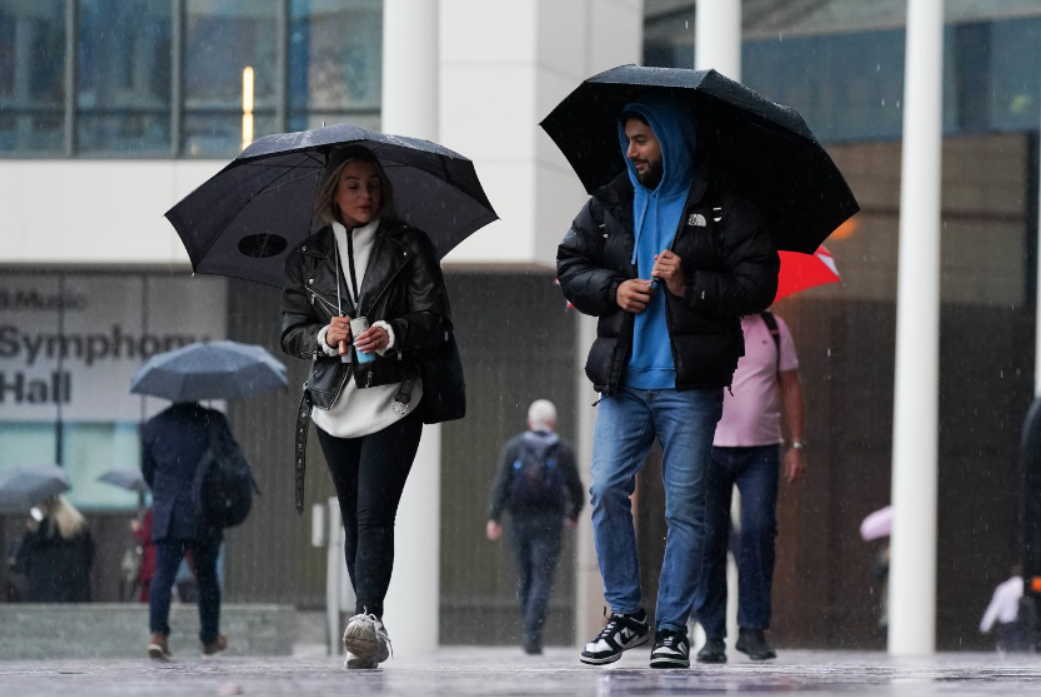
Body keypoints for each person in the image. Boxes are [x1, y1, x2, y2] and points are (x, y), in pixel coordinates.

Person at [557, 94, 779, 669]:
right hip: (623, 382)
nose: (630, 152)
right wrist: (613, 289)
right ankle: (626, 614)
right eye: (627, 140)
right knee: (605, 489)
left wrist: (691, 284)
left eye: (642, 139)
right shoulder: (610, 200)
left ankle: (674, 628)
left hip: (690, 387)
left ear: (672, 140)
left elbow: (759, 284)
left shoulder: (724, 206)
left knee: (685, 510)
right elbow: (570, 263)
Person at [281, 144, 463, 670]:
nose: (366, 195)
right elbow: (290, 332)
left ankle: (368, 619)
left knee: (374, 514)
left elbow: (436, 319)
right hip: (333, 403)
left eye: (373, 185)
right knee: (353, 519)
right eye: (353, 185)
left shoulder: (410, 245)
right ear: (332, 192)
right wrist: (323, 336)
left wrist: (391, 331)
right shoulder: (306, 257)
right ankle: (367, 627)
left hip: (394, 395)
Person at [693, 311, 806, 663]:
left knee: (759, 532)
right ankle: (712, 635)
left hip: (763, 450)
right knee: (710, 536)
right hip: (709, 448)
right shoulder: (705, 323)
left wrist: (797, 444)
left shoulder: (775, 328)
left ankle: (753, 630)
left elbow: (790, 384)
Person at [486, 399, 585, 655]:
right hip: (550, 522)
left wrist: (494, 518)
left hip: (518, 520)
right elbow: (576, 486)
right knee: (543, 579)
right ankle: (533, 633)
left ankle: (529, 625)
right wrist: (574, 513)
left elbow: (502, 483)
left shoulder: (514, 447)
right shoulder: (563, 449)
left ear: (530, 422)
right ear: (553, 423)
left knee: (525, 576)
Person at [141, 401, 233, 659]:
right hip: (204, 509)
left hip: (168, 511)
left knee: (163, 574)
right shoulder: (213, 420)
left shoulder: (154, 426)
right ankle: (210, 638)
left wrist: (166, 493)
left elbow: (148, 472)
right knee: (206, 578)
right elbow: (230, 461)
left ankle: (158, 635)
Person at [13, 495, 94, 603]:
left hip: (43, 598)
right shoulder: (79, 531)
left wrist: (30, 531)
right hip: (75, 598)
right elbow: (88, 559)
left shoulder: (39, 533)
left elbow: (20, 562)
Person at [980, 566, 1031, 652]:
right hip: (1023, 624)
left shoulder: (1003, 588)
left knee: (1011, 650)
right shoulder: (1027, 587)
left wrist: (985, 626)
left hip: (1007, 624)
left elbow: (994, 608)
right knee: (1024, 651)